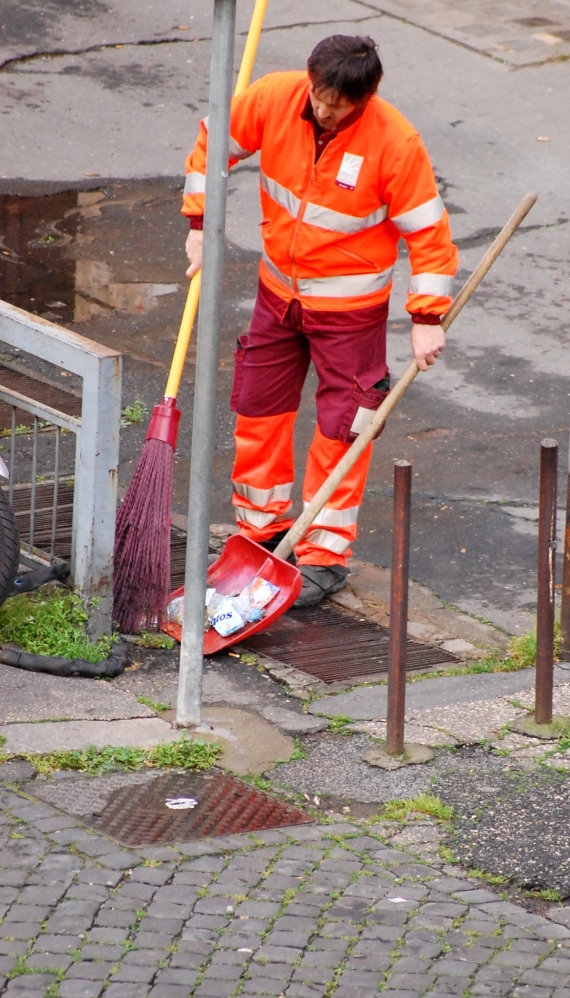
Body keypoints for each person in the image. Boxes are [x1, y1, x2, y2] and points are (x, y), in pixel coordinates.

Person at [182, 35, 458, 607]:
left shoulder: (395, 144)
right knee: (259, 409)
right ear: (308, 76)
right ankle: (260, 533)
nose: (326, 109)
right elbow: (214, 143)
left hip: (351, 313)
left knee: (342, 431)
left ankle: (323, 557)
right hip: (278, 294)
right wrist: (198, 222)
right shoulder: (276, 98)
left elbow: (429, 234)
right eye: (320, 94)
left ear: (368, 95)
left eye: (340, 103)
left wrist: (427, 317)